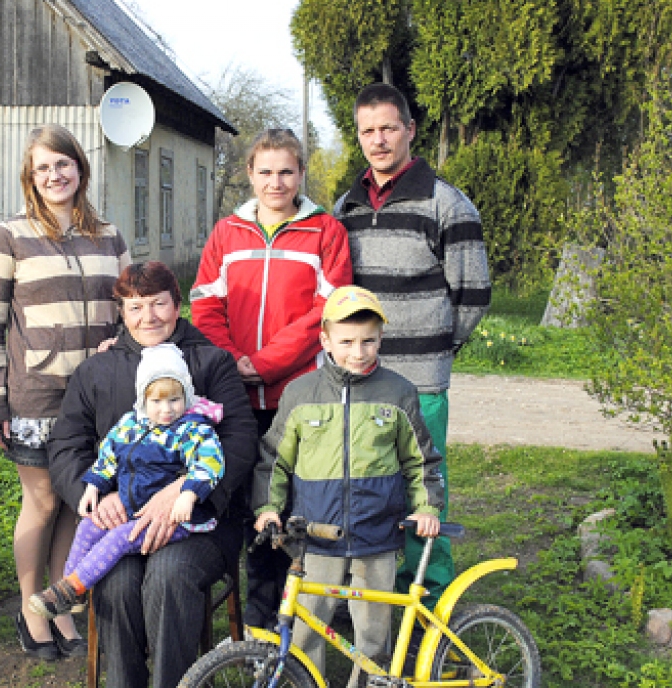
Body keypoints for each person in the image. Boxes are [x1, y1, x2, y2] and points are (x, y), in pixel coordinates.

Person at [49, 261, 258, 688]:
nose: (148, 318)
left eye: (159, 304)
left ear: (177, 304)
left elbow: (240, 441)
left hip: (199, 524)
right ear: (121, 313)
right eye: (135, 307)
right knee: (118, 580)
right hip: (118, 519)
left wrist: (187, 492)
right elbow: (66, 445)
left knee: (169, 576)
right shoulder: (95, 371)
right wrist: (93, 493)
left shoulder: (212, 363)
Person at [0, 124, 131, 660]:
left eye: (62, 164)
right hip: (38, 393)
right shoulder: (10, 236)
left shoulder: (109, 235)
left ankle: (57, 605)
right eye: (43, 168)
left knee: (74, 505)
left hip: (99, 398)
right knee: (41, 502)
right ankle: (27, 608)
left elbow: (131, 309)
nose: (54, 175)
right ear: (30, 177)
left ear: (79, 169)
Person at [333, 83, 491, 606]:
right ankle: (375, 603)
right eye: (367, 131)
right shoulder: (346, 207)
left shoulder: (447, 203)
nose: (378, 141)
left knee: (425, 494)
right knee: (369, 491)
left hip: (421, 380)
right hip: (361, 376)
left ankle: (430, 606)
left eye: (388, 128)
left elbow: (472, 294)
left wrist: (438, 350)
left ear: (410, 130)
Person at [190, 127, 353, 630]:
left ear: (301, 173)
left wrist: (261, 364)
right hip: (234, 399)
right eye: (265, 172)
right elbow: (205, 305)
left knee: (294, 507)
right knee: (247, 510)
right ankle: (256, 625)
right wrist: (231, 361)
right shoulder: (226, 233)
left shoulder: (326, 230)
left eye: (286, 171)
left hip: (298, 395)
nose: (275, 182)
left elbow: (328, 312)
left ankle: (302, 621)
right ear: (250, 175)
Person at [253, 285, 444, 686]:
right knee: (306, 629)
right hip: (315, 534)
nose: (358, 352)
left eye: (369, 341)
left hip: (378, 533)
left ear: (380, 338)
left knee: (374, 634)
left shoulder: (398, 392)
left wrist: (427, 507)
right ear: (324, 340)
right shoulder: (301, 394)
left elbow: (421, 460)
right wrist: (267, 507)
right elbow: (274, 459)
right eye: (346, 342)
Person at [29, 342, 225, 619]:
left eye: (175, 399)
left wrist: (188, 495)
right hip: (131, 507)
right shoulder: (130, 425)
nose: (166, 410)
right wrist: (94, 485)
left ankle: (73, 586)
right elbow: (108, 456)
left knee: (120, 537)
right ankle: (70, 589)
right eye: (157, 401)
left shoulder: (192, 429)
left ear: (187, 395)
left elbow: (209, 464)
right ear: (144, 400)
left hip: (173, 519)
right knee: (88, 526)